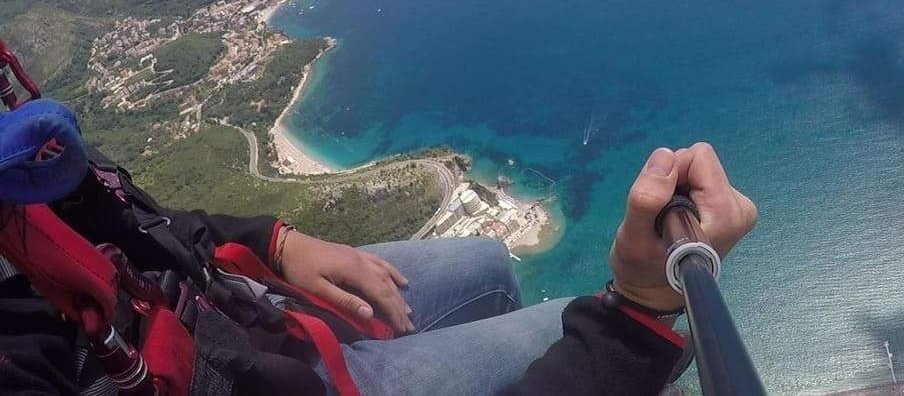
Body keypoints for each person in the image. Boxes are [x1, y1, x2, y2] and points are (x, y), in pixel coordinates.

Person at [0, 141, 757, 396]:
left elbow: (120, 220)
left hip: (241, 312)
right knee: (564, 327)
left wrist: (273, 239)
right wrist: (637, 312)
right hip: (272, 374)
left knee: (489, 259)